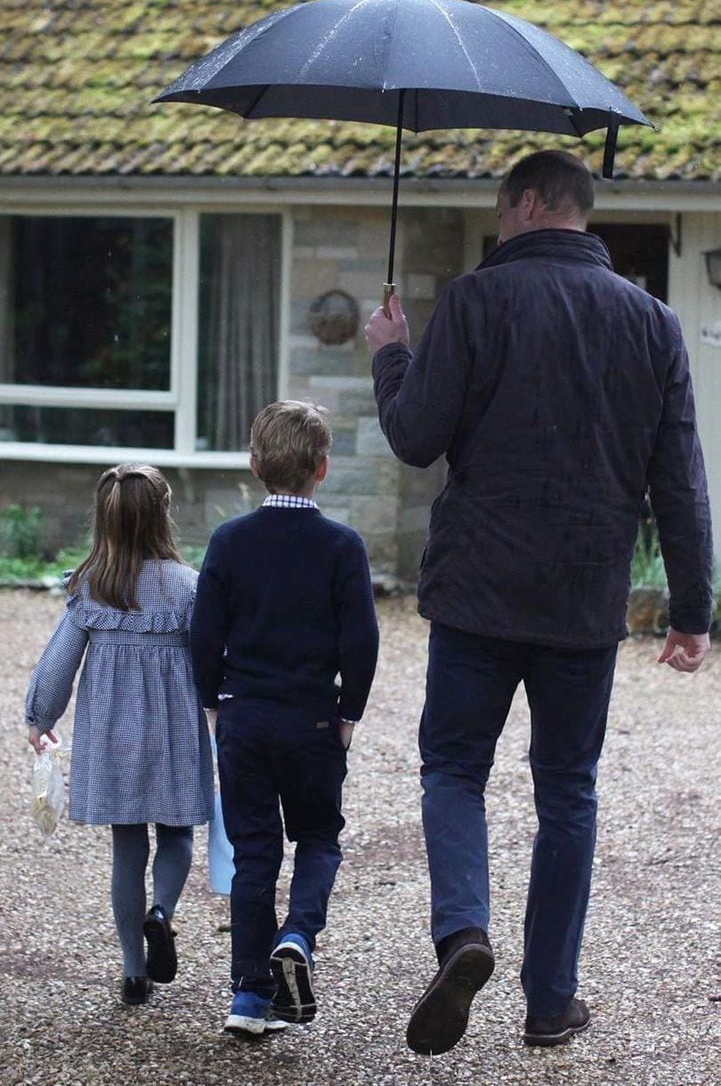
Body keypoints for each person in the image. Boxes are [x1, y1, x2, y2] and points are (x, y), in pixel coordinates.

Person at [364, 150, 713, 1055]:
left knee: (451, 769)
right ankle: (550, 1002)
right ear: (580, 213)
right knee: (566, 792)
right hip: (582, 598)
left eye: (500, 210)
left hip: (477, 592)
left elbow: (413, 437)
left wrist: (391, 354)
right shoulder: (651, 321)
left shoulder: (476, 301)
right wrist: (689, 610)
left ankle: (464, 933)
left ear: (525, 203)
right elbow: (678, 477)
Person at [190, 400, 379, 1037]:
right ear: (322, 469)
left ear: (254, 465)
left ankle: (248, 996)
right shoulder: (341, 547)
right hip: (312, 721)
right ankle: (298, 932)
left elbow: (204, 634)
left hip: (244, 717)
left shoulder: (229, 541)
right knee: (320, 836)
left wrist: (213, 703)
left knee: (254, 854)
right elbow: (362, 641)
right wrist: (349, 711)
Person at [25, 464, 214, 1005]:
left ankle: (134, 972)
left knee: (127, 847)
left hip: (113, 733)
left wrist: (41, 718)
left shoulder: (90, 588)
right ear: (163, 514)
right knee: (177, 834)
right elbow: (210, 660)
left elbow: (60, 661)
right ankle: (163, 913)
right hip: (174, 730)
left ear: (104, 520)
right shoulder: (189, 587)